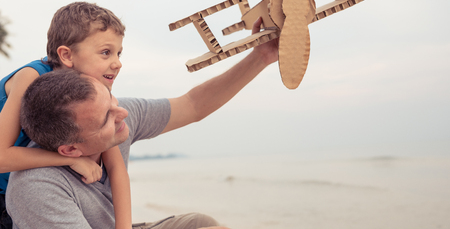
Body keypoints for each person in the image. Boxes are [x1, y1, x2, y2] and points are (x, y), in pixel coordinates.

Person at [6, 16, 278, 228]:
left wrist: (261, 56)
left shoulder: (112, 107)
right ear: (70, 151)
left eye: (113, 102)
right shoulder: (36, 185)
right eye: (106, 119)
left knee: (201, 223)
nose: (121, 114)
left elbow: (192, 105)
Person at [0, 2, 132, 229]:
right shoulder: (31, 77)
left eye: (118, 53)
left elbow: (116, 168)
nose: (117, 63)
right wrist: (71, 159)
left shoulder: (95, 91)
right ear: (66, 56)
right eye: (105, 52)